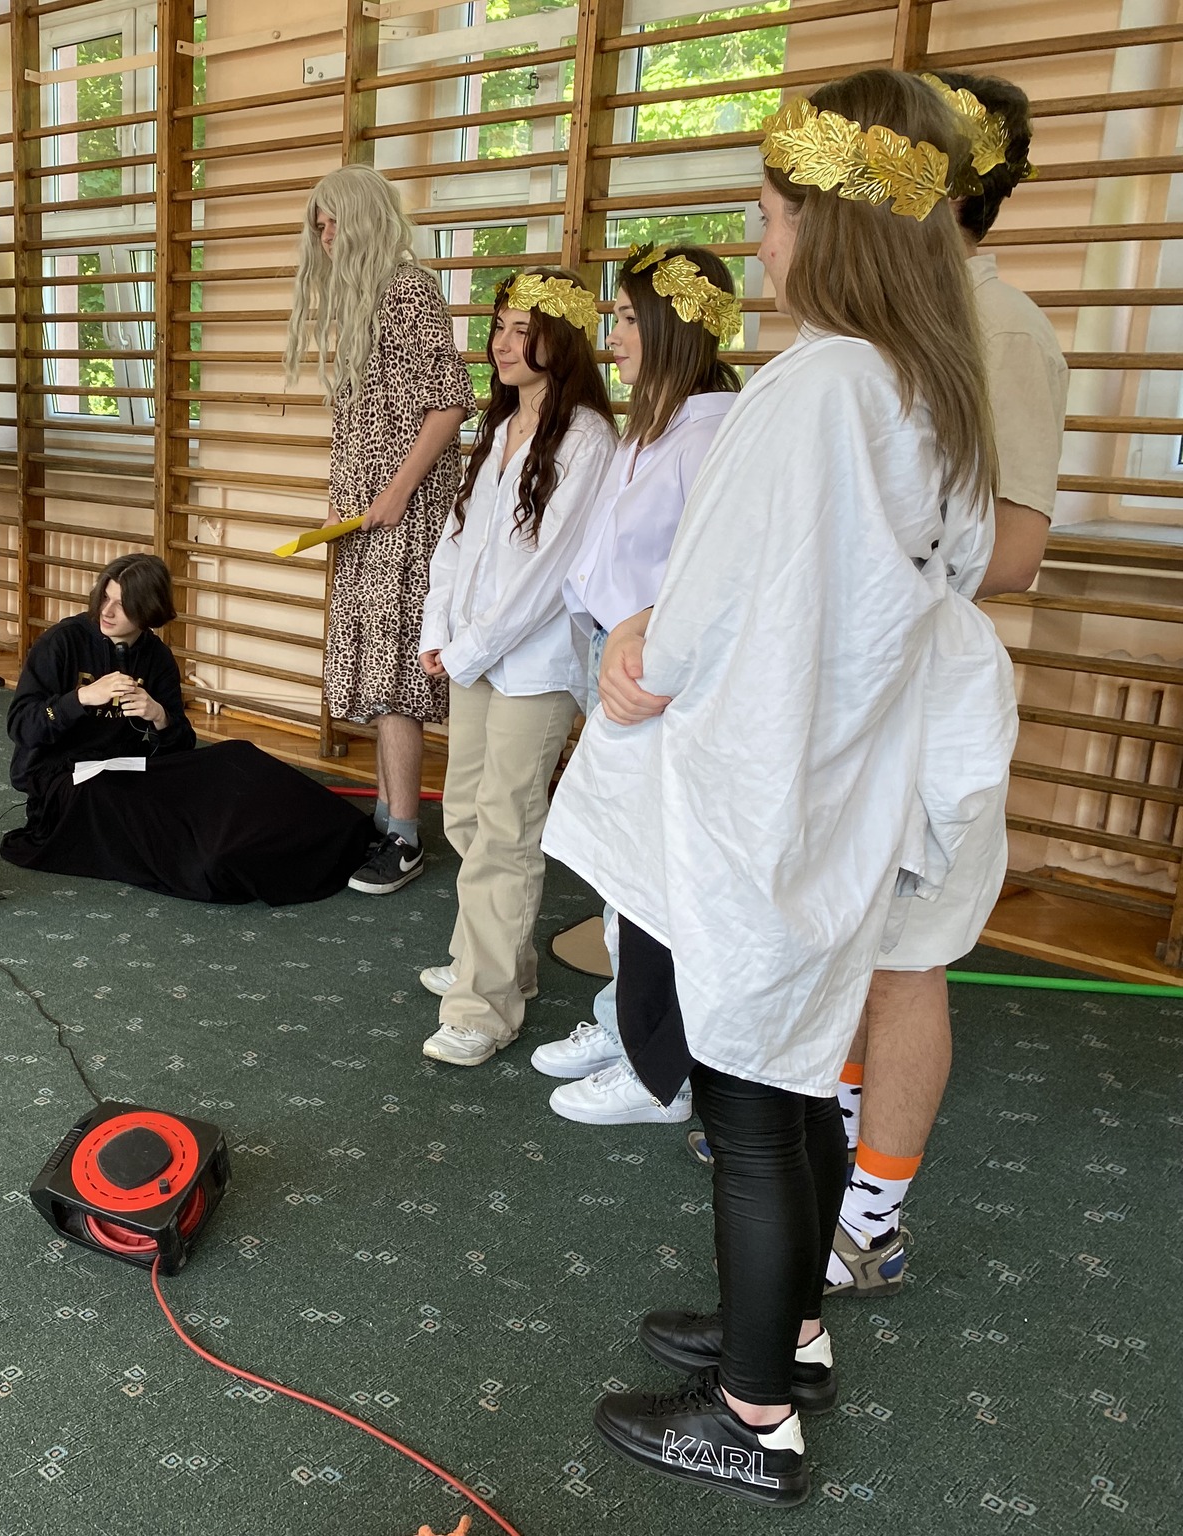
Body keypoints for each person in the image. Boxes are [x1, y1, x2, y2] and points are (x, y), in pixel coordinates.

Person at [542, 70, 1011, 1503]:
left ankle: (753, 1421)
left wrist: (639, 646)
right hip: (842, 791)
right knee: (800, 1084)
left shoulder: (815, 389)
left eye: (766, 214)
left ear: (828, 223)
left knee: (749, 1106)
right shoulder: (931, 386)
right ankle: (787, 1334)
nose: (754, 244)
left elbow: (700, 617)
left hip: (763, 794)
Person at [821, 71, 1068, 1297]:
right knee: (843, 940)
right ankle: (825, 1156)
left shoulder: (998, 325)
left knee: (904, 958)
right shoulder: (873, 323)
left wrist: (866, 569)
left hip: (924, 696)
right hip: (846, 689)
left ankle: (870, 1221)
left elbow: (1010, 552)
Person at [536, 245, 741, 1123]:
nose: (612, 335)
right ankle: (627, 1024)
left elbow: (713, 579)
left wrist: (643, 647)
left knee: (659, 878)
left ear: (669, 323)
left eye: (625, 317)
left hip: (659, 683)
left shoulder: (714, 433)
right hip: (614, 667)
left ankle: (665, 1073)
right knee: (620, 870)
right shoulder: (655, 424)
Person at [414, 269, 617, 1068]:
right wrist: (439, 630)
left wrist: (466, 648)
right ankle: (496, 960)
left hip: (533, 666)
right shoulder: (500, 425)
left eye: (522, 329)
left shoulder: (587, 439)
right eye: (498, 326)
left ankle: (484, 1006)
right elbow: (455, 542)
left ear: (559, 341)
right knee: (465, 815)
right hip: (475, 656)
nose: (502, 343)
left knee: (505, 829)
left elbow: (547, 576)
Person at [284, 165, 476, 896]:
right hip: (367, 520)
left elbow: (448, 404)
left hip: (406, 518)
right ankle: (389, 818)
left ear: (363, 218)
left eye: (331, 221)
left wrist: (395, 492)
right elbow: (362, 429)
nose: (324, 235)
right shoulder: (365, 302)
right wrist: (342, 505)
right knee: (374, 672)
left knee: (397, 676)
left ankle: (404, 837)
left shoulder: (408, 289)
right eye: (318, 225)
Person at [1, 554, 373, 904]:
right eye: (105, 598)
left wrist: (160, 717)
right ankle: (215, 860)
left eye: (122, 605)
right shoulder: (62, 642)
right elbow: (21, 726)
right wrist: (80, 698)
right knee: (140, 812)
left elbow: (180, 748)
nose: (107, 611)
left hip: (133, 770)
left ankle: (348, 831)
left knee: (235, 755)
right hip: (67, 781)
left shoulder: (157, 657)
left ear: (148, 611)